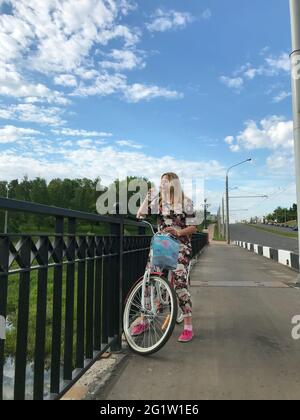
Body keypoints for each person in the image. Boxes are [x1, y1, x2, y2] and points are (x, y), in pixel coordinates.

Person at [134, 172, 198, 343]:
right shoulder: (159, 202)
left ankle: (188, 325)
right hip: (160, 244)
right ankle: (144, 320)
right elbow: (139, 215)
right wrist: (148, 197)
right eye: (160, 181)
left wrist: (178, 232)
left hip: (179, 246)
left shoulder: (186, 202)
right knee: (148, 280)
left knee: (179, 283)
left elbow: (193, 228)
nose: (161, 184)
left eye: (165, 181)